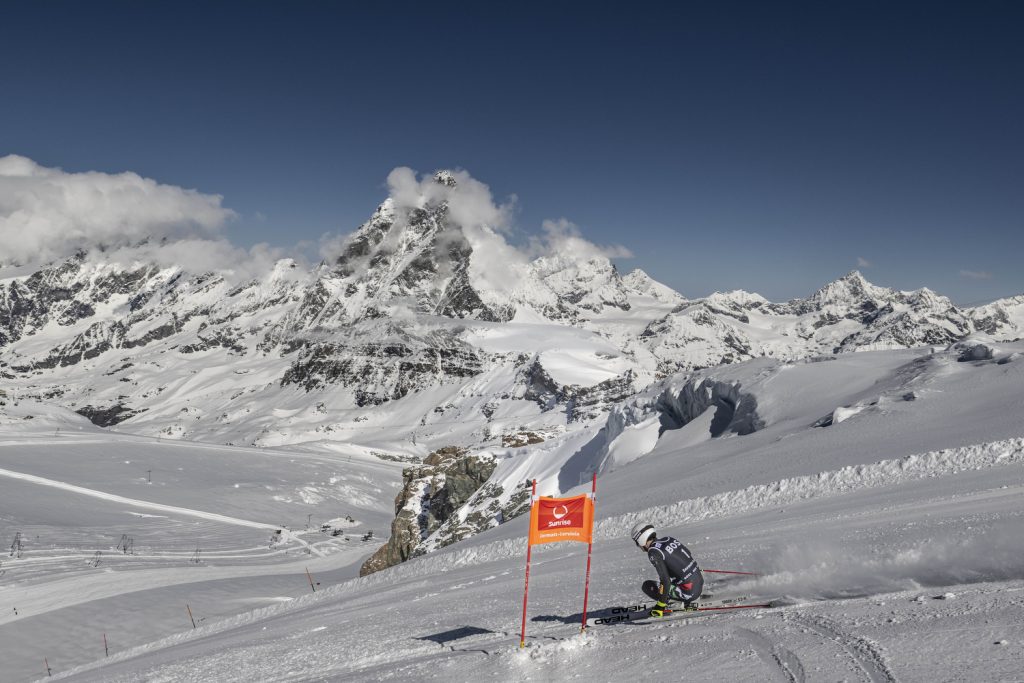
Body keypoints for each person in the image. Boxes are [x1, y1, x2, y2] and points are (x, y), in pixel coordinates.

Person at [630, 522, 703, 617]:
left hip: (689, 592)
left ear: (641, 539)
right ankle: (682, 596)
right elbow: (688, 554)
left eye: (637, 543)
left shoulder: (653, 552)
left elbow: (665, 581)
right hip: (699, 581)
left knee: (647, 586)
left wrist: (660, 606)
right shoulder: (668, 539)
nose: (638, 546)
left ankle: (674, 602)